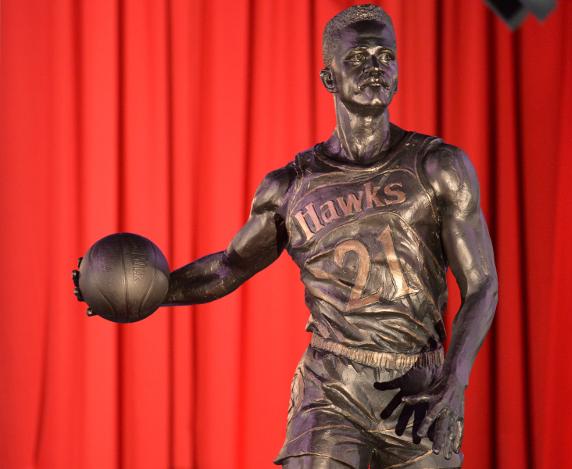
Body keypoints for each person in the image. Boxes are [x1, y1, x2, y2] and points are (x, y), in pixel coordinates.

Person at [77, 5, 498, 468]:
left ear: (397, 75)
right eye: (358, 58)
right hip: (333, 386)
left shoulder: (439, 166)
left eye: (385, 57)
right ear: (329, 78)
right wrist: (146, 294)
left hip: (417, 386)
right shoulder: (291, 186)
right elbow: (228, 267)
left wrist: (455, 379)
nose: (375, 67)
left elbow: (481, 285)